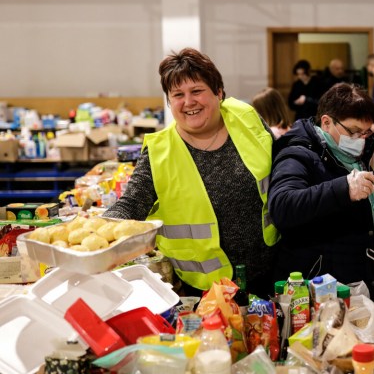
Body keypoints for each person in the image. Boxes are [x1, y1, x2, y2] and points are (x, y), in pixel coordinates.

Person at [105, 48, 277, 295]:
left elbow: (282, 170)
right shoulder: (159, 151)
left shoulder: (246, 118)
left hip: (273, 274)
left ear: (218, 92)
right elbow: (130, 204)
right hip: (206, 289)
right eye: (178, 94)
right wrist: (101, 233)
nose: (188, 102)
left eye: (197, 91)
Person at [269, 83, 374, 301]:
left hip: (355, 284)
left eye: (365, 133)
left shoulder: (351, 156)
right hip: (318, 290)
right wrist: (344, 189)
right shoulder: (298, 154)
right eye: (353, 132)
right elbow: (282, 205)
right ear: (326, 122)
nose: (360, 140)